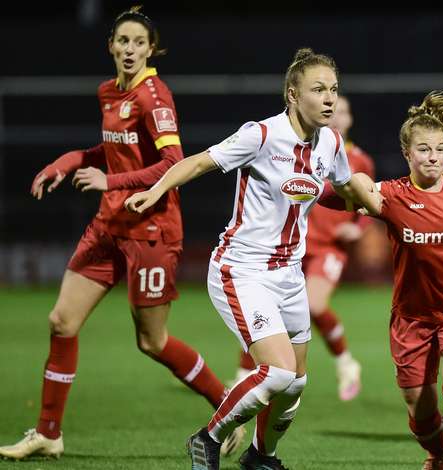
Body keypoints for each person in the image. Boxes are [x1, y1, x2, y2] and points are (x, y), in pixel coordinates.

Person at [0, 7, 244, 460]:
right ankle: (48, 432)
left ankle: (226, 407)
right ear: (110, 45)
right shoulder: (108, 93)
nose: (130, 49)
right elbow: (113, 153)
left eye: (139, 42)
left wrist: (108, 182)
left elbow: (174, 163)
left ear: (152, 50)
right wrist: (71, 160)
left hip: (151, 229)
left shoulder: (155, 96)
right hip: (109, 225)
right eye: (122, 41)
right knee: (61, 321)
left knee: (151, 341)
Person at [124, 48, 381, 470]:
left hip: (289, 274)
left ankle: (262, 457)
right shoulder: (261, 135)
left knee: (295, 383)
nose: (330, 99)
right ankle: (207, 438)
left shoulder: (331, 142)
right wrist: (156, 191)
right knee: (278, 372)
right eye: (319, 90)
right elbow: (199, 162)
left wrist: (380, 199)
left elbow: (343, 188)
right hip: (242, 270)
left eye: (334, 89)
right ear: (293, 95)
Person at [321, 91, 443, 469]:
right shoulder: (392, 197)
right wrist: (332, 184)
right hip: (412, 316)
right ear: (407, 154)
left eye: (440, 149)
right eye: (424, 150)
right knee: (418, 408)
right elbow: (336, 197)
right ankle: (437, 453)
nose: (433, 157)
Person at [232, 95, 373, 401]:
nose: (336, 116)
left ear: (350, 120)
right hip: (293, 244)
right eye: (333, 110)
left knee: (315, 305)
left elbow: (369, 201)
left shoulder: (359, 160)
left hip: (330, 246)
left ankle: (345, 362)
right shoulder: (302, 149)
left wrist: (357, 228)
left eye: (344, 111)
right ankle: (244, 375)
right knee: (269, 309)